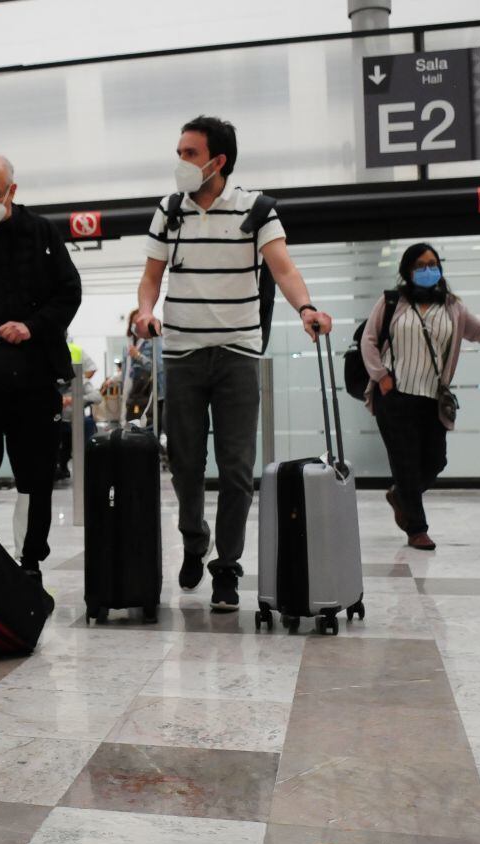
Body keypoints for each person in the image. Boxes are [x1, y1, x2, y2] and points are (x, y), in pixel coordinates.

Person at [133, 115, 332, 612]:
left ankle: (227, 567)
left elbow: (282, 267)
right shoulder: (168, 210)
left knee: (237, 468)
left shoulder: (256, 209)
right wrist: (144, 311)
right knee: (184, 464)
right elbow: (151, 276)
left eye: (190, 154)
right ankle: (194, 540)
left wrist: (305, 307)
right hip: (181, 354)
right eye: (178, 152)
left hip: (238, 354)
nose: (181, 162)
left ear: (218, 161)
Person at [0, 152, 82, 577]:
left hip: (32, 380)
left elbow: (69, 292)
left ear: (12, 190)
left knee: (35, 477)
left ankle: (30, 561)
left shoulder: (41, 232)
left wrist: (31, 326)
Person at [361, 242, 480, 549]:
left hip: (433, 399)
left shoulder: (453, 307)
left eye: (433, 264)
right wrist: (381, 377)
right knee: (404, 462)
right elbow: (369, 339)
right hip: (395, 396)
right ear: (407, 271)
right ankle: (417, 529)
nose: (429, 270)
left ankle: (402, 495)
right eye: (420, 265)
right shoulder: (392, 301)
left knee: (435, 461)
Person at [57, 340, 100, 479]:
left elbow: (97, 397)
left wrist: (74, 400)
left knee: (87, 426)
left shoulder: (80, 380)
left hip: (74, 421)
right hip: (56, 422)